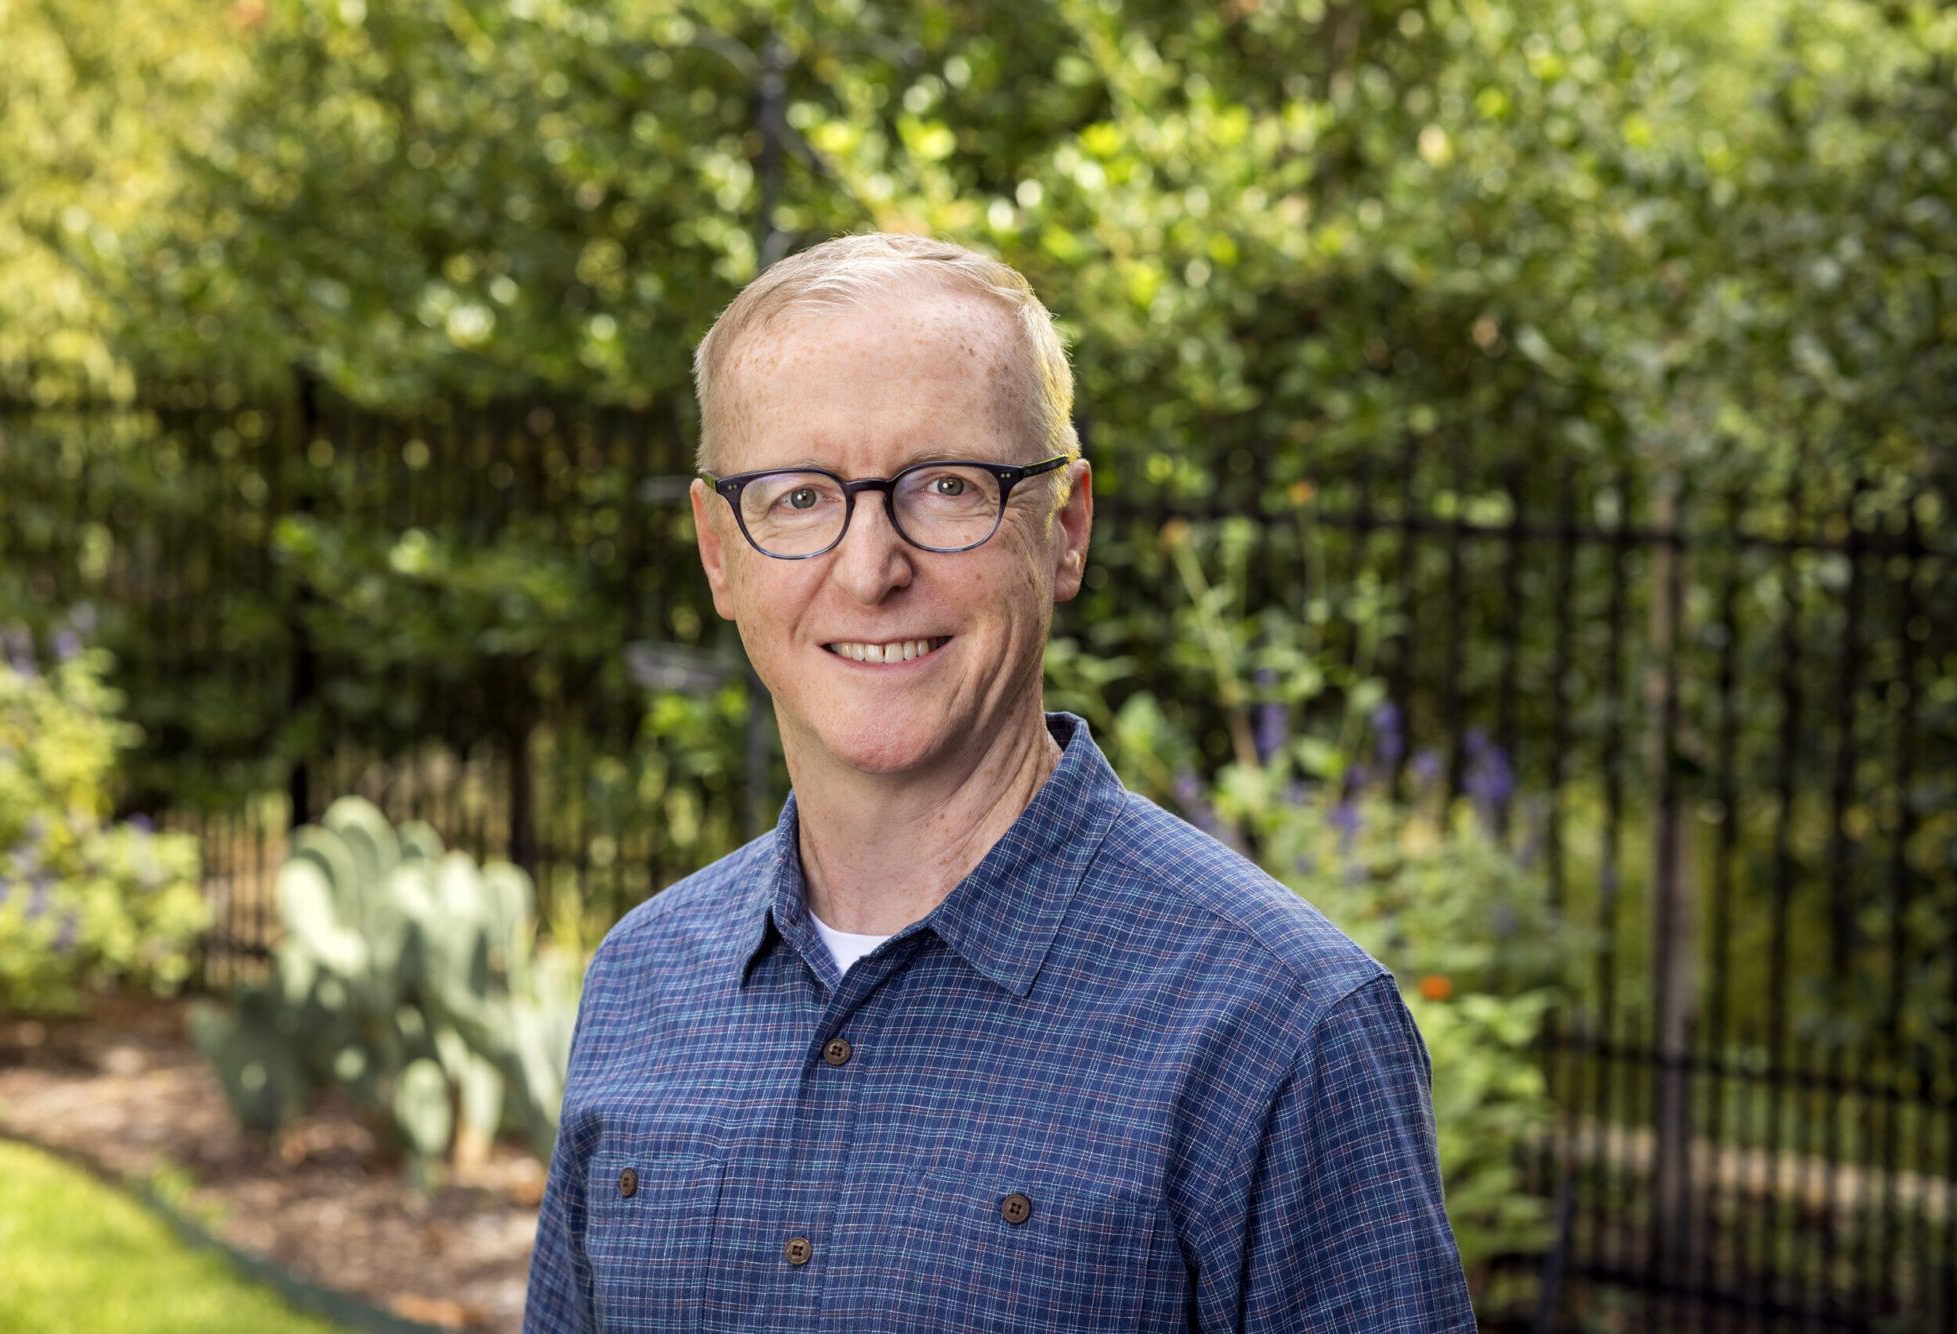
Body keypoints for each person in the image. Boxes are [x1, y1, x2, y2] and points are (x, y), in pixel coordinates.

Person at [523, 233, 1475, 1332]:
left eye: (943, 486)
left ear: (1063, 528)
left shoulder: (1280, 1025)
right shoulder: (643, 979)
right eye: (795, 498)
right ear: (716, 550)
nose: (870, 568)